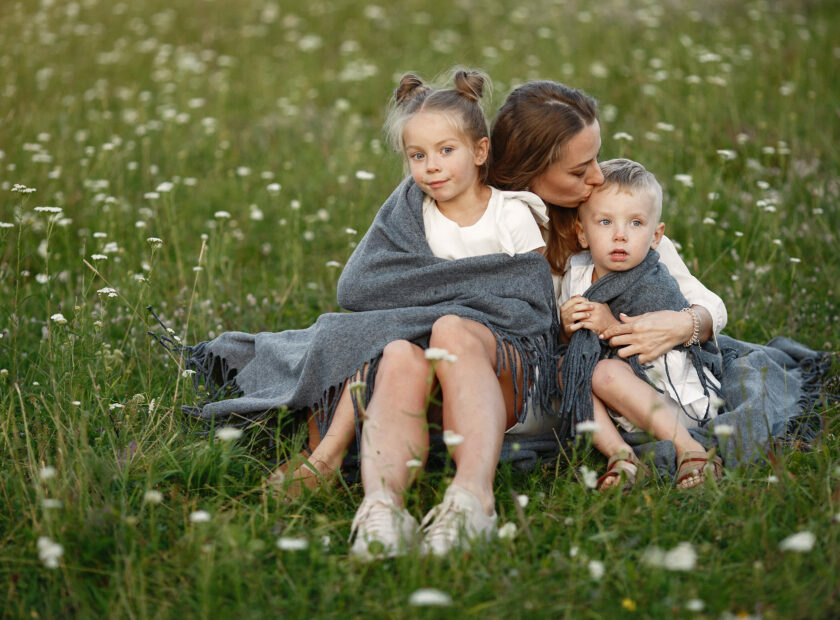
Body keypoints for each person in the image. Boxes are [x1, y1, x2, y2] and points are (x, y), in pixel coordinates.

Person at [347, 70, 553, 560]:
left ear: (480, 152)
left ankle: (472, 500)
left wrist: (448, 307)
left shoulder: (511, 214)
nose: (430, 167)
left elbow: (534, 308)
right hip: (434, 387)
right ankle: (383, 507)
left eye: (446, 151)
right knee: (397, 350)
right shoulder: (411, 216)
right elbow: (358, 288)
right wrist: (458, 299)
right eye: (417, 156)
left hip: (509, 380)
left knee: (450, 328)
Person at [558, 158, 724, 490]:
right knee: (567, 368)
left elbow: (674, 314)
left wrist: (607, 324)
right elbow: (574, 345)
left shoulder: (654, 273)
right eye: (605, 222)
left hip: (672, 392)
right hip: (619, 405)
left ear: (655, 235)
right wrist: (567, 323)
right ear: (583, 233)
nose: (620, 236)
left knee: (604, 373)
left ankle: (691, 449)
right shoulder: (576, 273)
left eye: (635, 223)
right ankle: (621, 456)